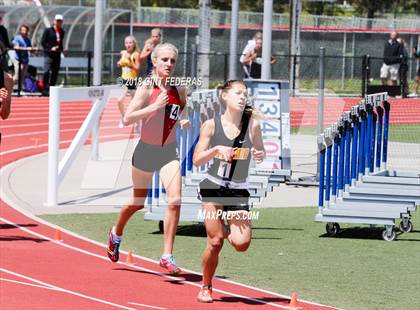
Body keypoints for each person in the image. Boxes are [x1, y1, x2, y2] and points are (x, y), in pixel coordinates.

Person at [107, 43, 189, 274]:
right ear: (154, 62)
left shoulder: (178, 87)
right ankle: (116, 232)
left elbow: (183, 107)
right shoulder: (145, 87)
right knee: (137, 202)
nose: (169, 65)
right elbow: (129, 117)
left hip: (168, 151)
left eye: (172, 61)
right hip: (145, 151)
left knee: (175, 200)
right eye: (164, 60)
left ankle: (166, 255)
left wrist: (183, 118)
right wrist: (153, 106)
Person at [193, 80, 265, 303]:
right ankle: (206, 286)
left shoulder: (252, 124)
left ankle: (223, 226)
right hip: (213, 187)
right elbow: (196, 159)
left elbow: (260, 150)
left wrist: (259, 153)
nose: (242, 97)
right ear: (224, 96)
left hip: (238, 189)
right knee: (215, 242)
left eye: (245, 94)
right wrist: (215, 149)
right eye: (237, 93)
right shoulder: (211, 125)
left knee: (241, 244)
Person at [116, 35, 141, 130]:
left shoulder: (135, 54)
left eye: (130, 42)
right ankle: (123, 118)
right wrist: (119, 63)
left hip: (132, 81)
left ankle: (138, 124)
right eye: (126, 42)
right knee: (119, 100)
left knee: (135, 104)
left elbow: (137, 68)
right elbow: (120, 62)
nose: (128, 44)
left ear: (134, 44)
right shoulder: (123, 53)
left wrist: (130, 60)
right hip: (124, 80)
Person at [41, 14, 65, 96]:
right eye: (57, 20)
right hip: (49, 54)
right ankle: (45, 89)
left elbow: (60, 43)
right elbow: (43, 42)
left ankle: (52, 89)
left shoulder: (62, 31)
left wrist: (61, 48)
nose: (59, 22)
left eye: (60, 21)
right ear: (54, 21)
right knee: (46, 72)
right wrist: (50, 48)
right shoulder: (48, 30)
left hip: (57, 55)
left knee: (55, 72)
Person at [13, 24, 34, 90]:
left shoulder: (28, 40)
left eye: (26, 30)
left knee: (22, 77)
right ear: (20, 31)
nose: (24, 32)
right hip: (18, 60)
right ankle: (7, 86)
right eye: (23, 30)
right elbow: (16, 45)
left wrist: (31, 49)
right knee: (16, 76)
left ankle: (19, 90)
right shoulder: (17, 38)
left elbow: (30, 48)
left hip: (25, 60)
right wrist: (18, 47)